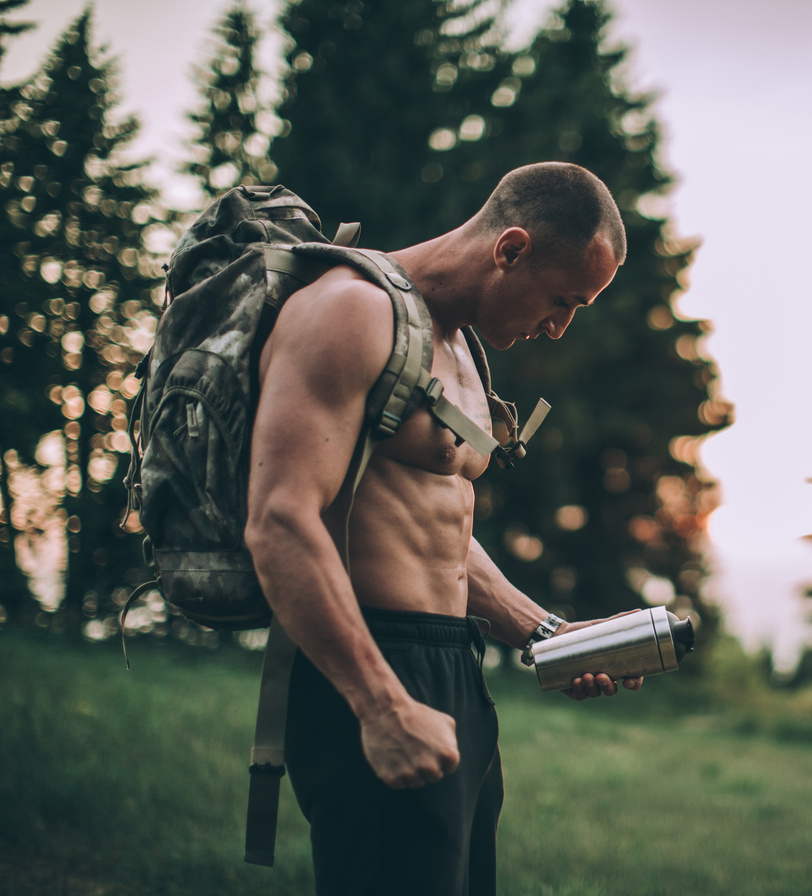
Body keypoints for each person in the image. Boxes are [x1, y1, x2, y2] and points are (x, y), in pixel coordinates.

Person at [243, 162, 638, 896]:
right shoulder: (350, 312)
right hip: (370, 659)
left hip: (453, 666)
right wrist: (381, 704)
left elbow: (437, 525)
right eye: (562, 300)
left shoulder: (457, 346)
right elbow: (279, 518)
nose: (559, 327)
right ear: (510, 249)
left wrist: (546, 632)